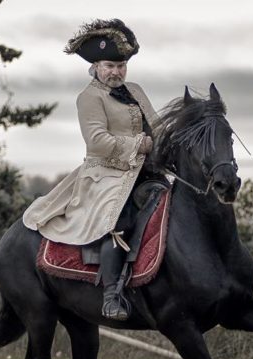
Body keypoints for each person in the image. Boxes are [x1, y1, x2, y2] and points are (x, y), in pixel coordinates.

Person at [22, 19, 160, 321]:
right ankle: (112, 295)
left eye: (121, 65)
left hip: (144, 170)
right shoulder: (89, 97)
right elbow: (97, 142)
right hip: (105, 174)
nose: (117, 72)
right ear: (96, 66)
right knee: (117, 220)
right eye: (110, 65)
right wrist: (140, 145)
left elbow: (157, 124)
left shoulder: (135, 89)